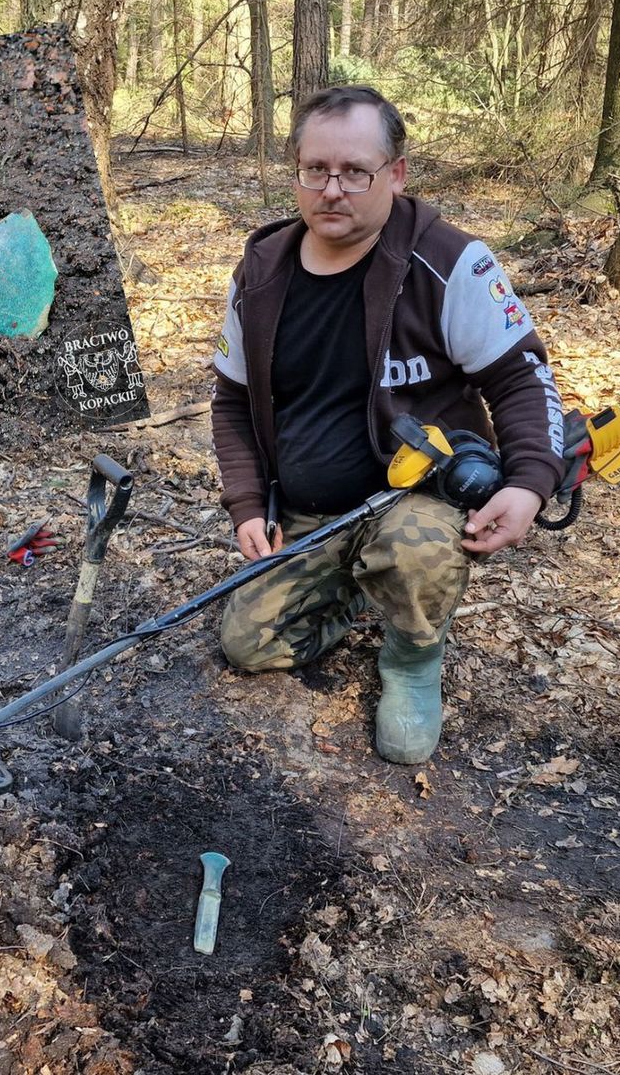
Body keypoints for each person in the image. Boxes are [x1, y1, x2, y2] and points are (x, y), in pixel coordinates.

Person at [211, 85, 566, 765]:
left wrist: (529, 483)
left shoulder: (451, 262)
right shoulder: (261, 270)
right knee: (246, 645)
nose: (333, 190)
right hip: (308, 508)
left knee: (416, 548)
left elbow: (520, 376)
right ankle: (349, 591)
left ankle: (410, 658)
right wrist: (248, 505)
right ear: (297, 171)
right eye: (316, 170)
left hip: (414, 498)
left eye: (355, 171)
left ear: (396, 173)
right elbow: (230, 400)